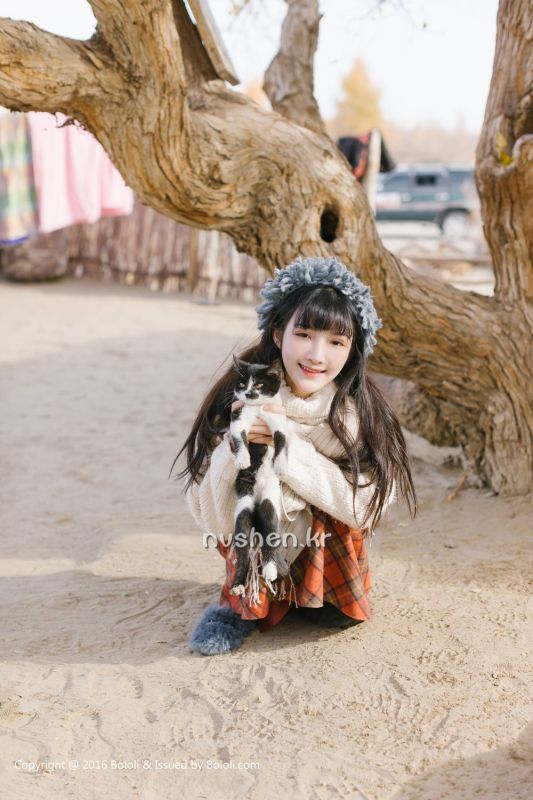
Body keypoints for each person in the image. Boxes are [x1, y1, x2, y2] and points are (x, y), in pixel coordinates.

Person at [172, 256, 416, 655]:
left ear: (353, 349)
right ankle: (245, 601)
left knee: (327, 517)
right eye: (304, 334)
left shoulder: (355, 414)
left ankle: (311, 593)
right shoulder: (243, 396)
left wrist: (290, 448)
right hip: (254, 538)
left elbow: (366, 509)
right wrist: (236, 453)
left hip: (324, 562)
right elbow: (209, 515)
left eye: (336, 342)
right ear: (277, 332)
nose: (317, 355)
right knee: (252, 501)